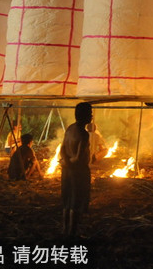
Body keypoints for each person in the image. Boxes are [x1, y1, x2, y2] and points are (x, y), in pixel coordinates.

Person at [61, 102, 93, 238]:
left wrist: (65, 162)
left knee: (67, 201)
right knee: (76, 202)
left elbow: (62, 149)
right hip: (78, 172)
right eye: (90, 114)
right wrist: (71, 163)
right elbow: (78, 158)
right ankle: (72, 234)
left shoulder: (70, 128)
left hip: (66, 171)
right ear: (85, 116)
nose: (91, 116)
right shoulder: (83, 134)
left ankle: (65, 230)